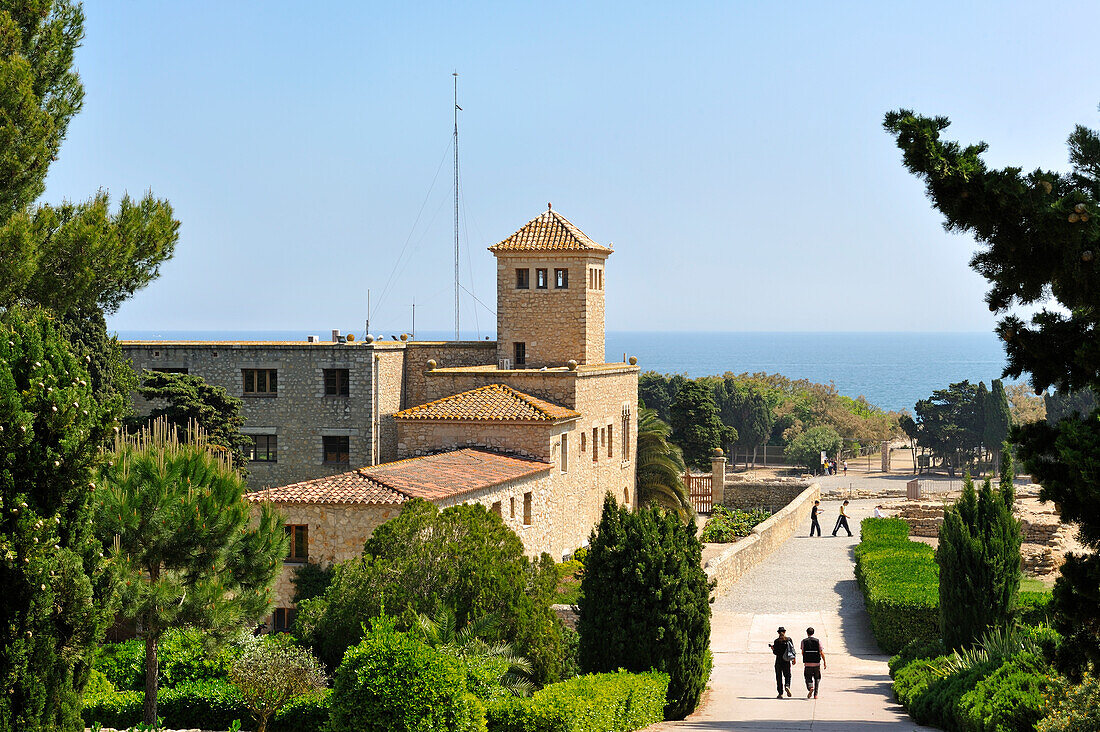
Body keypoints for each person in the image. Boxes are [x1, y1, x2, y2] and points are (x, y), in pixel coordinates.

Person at [768, 626, 795, 698]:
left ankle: (780, 693)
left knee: (779, 677)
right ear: (785, 632)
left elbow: (775, 652)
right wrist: (793, 659)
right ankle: (787, 685)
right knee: (787, 675)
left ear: (778, 633)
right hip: (786, 661)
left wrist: (773, 648)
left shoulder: (776, 641)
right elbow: (792, 650)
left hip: (778, 661)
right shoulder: (789, 639)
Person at [801, 627, 826, 698]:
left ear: (807, 633)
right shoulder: (818, 641)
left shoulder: (803, 641)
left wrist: (806, 658)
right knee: (817, 678)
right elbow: (821, 652)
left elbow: (802, 652)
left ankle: (810, 687)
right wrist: (824, 662)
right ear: (813, 633)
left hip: (807, 663)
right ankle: (815, 694)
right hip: (816, 663)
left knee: (807, 677)